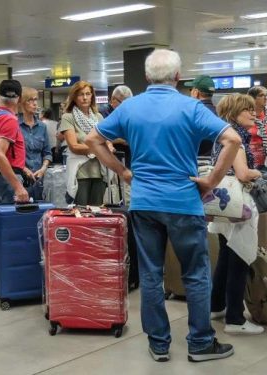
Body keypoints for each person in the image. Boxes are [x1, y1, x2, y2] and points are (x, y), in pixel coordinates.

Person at [86, 49, 242, 363]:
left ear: (146, 77)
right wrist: (211, 180)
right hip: (184, 201)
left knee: (151, 274)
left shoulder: (130, 107)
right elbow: (233, 140)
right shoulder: (191, 107)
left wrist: (124, 172)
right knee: (195, 274)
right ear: (177, 77)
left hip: (144, 202)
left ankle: (158, 344)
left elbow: (93, 140)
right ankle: (200, 343)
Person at [208, 94, 265, 335]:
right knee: (240, 257)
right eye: (248, 110)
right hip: (237, 206)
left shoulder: (219, 135)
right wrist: (258, 174)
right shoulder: (236, 138)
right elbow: (242, 173)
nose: (253, 114)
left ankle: (216, 305)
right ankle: (235, 318)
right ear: (234, 112)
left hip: (222, 205)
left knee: (225, 255)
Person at [59, 81, 108, 206]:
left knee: (96, 213)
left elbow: (106, 142)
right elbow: (74, 147)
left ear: (92, 96)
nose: (85, 97)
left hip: (99, 172)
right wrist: (99, 148)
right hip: (80, 173)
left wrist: (107, 146)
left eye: (88, 94)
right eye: (81, 94)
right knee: (81, 213)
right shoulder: (68, 117)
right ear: (74, 97)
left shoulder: (98, 117)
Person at [0, 80, 29, 205]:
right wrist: (18, 186)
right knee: (13, 222)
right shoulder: (9, 119)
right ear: (20, 98)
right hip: (7, 179)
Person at [19, 87, 52, 200]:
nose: (34, 104)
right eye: (30, 100)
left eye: (36, 100)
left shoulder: (42, 127)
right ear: (22, 103)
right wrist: (24, 169)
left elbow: (47, 152)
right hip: (21, 179)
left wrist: (43, 168)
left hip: (39, 178)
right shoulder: (15, 125)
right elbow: (10, 155)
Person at [185, 75, 217, 156]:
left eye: (190, 89)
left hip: (196, 160)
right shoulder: (219, 113)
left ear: (195, 93)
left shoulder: (193, 114)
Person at [247, 86, 267, 168]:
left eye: (266, 95)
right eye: (261, 95)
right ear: (252, 98)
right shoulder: (245, 115)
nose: (265, 98)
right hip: (250, 160)